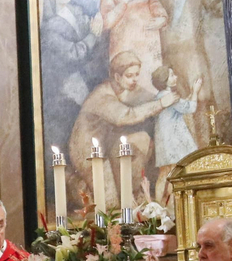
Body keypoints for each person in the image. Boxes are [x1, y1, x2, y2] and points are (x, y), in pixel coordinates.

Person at [67, 50, 178, 208]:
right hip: (87, 152)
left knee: (142, 140)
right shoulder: (102, 95)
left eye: (136, 74)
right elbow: (126, 115)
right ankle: (75, 183)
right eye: (129, 75)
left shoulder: (126, 88)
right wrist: (160, 104)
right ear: (117, 77)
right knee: (110, 205)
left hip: (108, 145)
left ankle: (133, 190)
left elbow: (149, 98)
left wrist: (165, 98)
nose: (134, 80)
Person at [154, 0, 224, 144]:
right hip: (170, 45)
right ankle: (185, 147)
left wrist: (229, 5)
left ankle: (206, 144)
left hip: (192, 45)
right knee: (177, 94)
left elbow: (212, 5)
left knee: (200, 92)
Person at [40, 0, 101, 152]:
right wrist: (93, 36)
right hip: (68, 82)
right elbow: (73, 53)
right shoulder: (51, 27)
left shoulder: (76, 12)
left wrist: (95, 30)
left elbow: (91, 29)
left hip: (88, 74)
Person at [149, 65, 202, 204]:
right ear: (164, 80)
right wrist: (195, 91)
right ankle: (170, 205)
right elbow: (190, 108)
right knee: (174, 172)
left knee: (165, 172)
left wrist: (190, 94)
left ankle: (161, 206)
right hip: (173, 139)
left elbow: (182, 105)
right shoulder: (170, 97)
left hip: (164, 140)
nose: (175, 77)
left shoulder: (159, 97)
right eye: (172, 75)